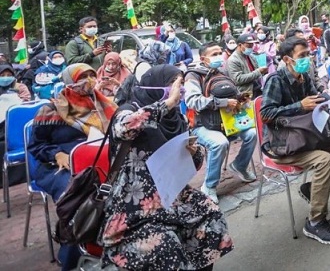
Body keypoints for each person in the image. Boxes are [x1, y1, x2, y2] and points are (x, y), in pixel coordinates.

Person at [102, 65, 233, 270]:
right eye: (174, 85)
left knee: (211, 216)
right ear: (154, 86)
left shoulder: (176, 118)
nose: (178, 91)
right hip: (135, 202)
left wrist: (193, 152)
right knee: (165, 243)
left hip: (171, 192)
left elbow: (191, 164)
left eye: (180, 86)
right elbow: (122, 128)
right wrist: (167, 103)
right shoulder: (129, 109)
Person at [261, 37, 330, 244]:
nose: (307, 59)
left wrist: (323, 97)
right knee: (324, 160)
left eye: (308, 54)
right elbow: (265, 114)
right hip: (283, 144)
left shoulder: (305, 77)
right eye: (301, 56)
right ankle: (315, 222)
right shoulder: (275, 80)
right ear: (287, 59)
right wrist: (299, 106)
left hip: (308, 138)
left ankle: (311, 188)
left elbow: (316, 97)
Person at [29, 63, 118, 270]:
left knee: (121, 190)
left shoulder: (103, 104)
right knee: (78, 197)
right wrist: (56, 154)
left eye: (91, 75)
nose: (88, 81)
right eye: (81, 77)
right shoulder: (52, 108)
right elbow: (36, 145)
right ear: (69, 81)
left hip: (96, 161)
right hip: (58, 166)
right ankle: (71, 254)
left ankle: (107, 243)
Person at [186, 43, 258, 204]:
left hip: (228, 123)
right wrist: (222, 103)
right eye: (214, 54)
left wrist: (240, 98)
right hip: (202, 126)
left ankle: (239, 166)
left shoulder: (222, 73)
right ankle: (209, 186)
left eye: (220, 52)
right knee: (219, 143)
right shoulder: (193, 76)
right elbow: (192, 101)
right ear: (204, 58)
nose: (219, 56)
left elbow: (233, 94)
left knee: (252, 133)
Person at [225, 33, 269, 99]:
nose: (251, 48)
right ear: (240, 45)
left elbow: (256, 71)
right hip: (245, 94)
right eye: (248, 46)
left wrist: (263, 72)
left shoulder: (250, 56)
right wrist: (258, 72)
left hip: (256, 89)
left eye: (252, 45)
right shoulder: (233, 60)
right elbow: (238, 79)